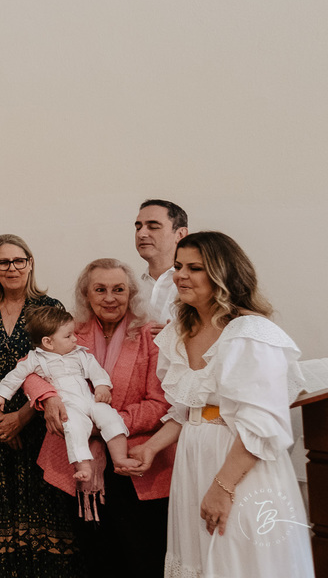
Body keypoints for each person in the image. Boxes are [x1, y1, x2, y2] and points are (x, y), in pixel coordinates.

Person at [129, 232, 313, 577]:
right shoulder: (179, 331)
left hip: (240, 465)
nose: (180, 275)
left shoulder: (251, 334)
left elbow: (262, 423)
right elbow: (188, 410)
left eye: (194, 268)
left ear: (223, 274)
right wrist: (151, 448)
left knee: (239, 560)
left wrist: (222, 487)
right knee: (198, 559)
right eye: (179, 265)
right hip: (194, 460)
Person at [24, 258, 174, 578]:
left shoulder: (150, 334)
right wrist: (48, 398)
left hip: (134, 464)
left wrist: (110, 424)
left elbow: (160, 403)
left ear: (131, 293)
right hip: (79, 464)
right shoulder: (70, 332)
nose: (110, 298)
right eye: (100, 289)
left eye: (118, 289)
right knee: (96, 557)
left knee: (142, 557)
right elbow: (29, 369)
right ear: (86, 295)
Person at [0, 233, 81, 577]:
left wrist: (22, 417)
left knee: (46, 517)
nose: (11, 268)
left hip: (41, 429)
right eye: (3, 262)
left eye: (19, 260)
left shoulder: (50, 309)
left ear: (30, 264)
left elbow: (63, 370)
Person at [0, 305, 135, 482]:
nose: (75, 339)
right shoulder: (35, 359)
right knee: (73, 428)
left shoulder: (80, 354)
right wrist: (1, 395)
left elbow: (95, 370)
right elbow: (15, 376)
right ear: (48, 342)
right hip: (68, 406)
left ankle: (119, 458)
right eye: (68, 336)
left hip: (90, 400)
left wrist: (101, 386)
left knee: (111, 417)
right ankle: (83, 467)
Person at [135, 199, 188, 326]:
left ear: (180, 234)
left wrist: (179, 335)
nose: (141, 234)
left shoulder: (199, 285)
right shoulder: (133, 287)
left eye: (153, 227)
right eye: (138, 227)